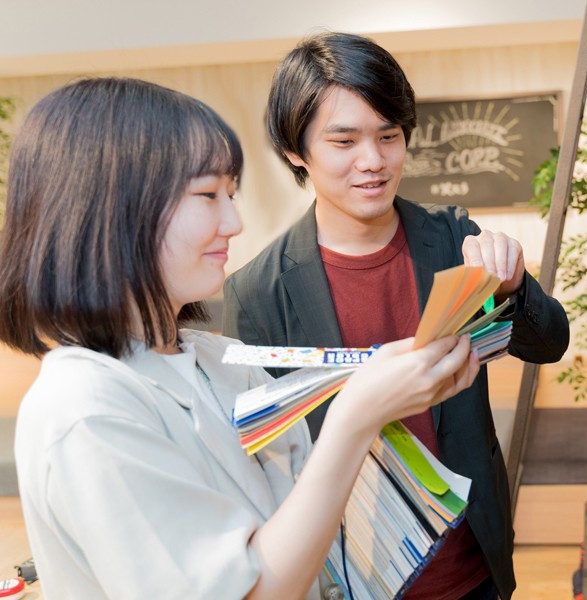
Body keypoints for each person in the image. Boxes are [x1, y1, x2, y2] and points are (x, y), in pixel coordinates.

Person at [0, 77, 480, 600]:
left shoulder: (219, 358)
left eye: (230, 194)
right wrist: (355, 415)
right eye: (208, 195)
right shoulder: (87, 410)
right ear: (109, 210)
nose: (234, 222)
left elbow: (301, 534)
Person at [222, 31, 570, 600]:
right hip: (349, 576)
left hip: (473, 567)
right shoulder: (258, 292)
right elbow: (268, 462)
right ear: (295, 151)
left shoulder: (453, 237)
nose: (374, 161)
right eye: (343, 141)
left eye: (389, 136)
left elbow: (549, 341)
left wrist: (513, 285)